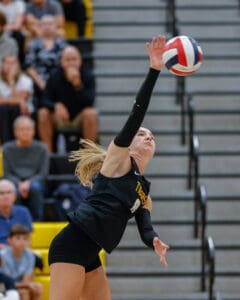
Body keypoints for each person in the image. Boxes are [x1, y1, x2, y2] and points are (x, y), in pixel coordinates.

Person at [48, 35, 170, 300]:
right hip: (72, 243)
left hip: (93, 251)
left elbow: (145, 227)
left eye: (152, 136)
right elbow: (137, 112)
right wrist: (154, 70)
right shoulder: (118, 159)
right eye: (142, 134)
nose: (148, 137)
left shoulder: (144, 191)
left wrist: (155, 241)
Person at [38, 45, 98, 152]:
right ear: (61, 61)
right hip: (60, 118)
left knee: (91, 113)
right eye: (67, 60)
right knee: (43, 113)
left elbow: (90, 101)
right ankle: (48, 156)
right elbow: (44, 99)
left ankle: (89, 156)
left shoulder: (88, 75)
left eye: (74, 59)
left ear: (80, 60)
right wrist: (55, 106)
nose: (71, 63)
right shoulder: (54, 75)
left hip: (79, 117)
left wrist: (78, 85)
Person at [2, 116, 49, 221]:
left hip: (35, 182)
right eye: (22, 129)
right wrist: (19, 184)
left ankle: (37, 221)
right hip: (13, 182)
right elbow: (6, 173)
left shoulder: (42, 148)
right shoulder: (6, 149)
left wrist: (28, 183)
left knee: (35, 188)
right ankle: (15, 223)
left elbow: (43, 173)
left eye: (28, 129)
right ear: (15, 132)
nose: (25, 132)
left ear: (33, 131)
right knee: (11, 191)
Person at [24, 15, 68, 110]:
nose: (47, 26)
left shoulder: (62, 44)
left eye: (50, 24)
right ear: (40, 27)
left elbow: (66, 64)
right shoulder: (34, 44)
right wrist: (40, 82)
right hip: (38, 81)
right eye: (44, 24)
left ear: (55, 27)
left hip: (58, 80)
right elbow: (28, 66)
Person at [0, 225, 43, 300]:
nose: (22, 242)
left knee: (38, 288)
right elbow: (7, 282)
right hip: (3, 286)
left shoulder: (30, 255)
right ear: (9, 240)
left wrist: (27, 285)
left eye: (25, 239)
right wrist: (26, 285)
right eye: (18, 238)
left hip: (21, 285)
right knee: (24, 292)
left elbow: (27, 279)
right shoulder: (2, 255)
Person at [0, 179, 32, 250]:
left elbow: (27, 239)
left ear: (14, 195)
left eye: (8, 192)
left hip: (20, 252)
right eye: (1, 193)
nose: (5, 196)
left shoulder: (23, 212)